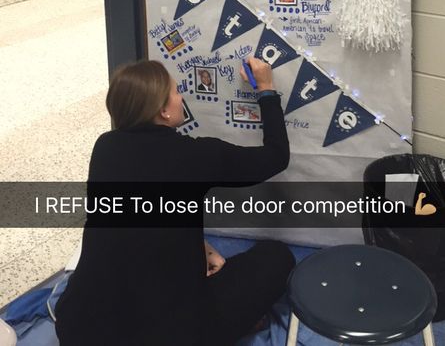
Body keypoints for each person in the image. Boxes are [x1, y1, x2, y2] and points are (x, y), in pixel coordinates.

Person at [55, 57, 294, 346]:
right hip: (167, 334)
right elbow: (276, 156)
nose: (182, 98)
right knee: (276, 256)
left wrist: (201, 250)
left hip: (80, 327)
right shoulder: (196, 155)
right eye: (177, 92)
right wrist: (266, 89)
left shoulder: (105, 148)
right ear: (164, 111)